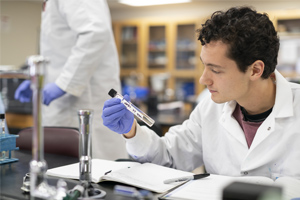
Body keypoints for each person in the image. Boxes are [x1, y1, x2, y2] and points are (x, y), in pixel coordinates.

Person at [102, 6, 300, 180]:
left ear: (255, 70)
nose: (203, 79)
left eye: (216, 70)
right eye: (204, 66)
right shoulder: (210, 108)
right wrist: (131, 131)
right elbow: (168, 157)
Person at [14, 0, 127, 160]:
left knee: (94, 170)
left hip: (85, 100)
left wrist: (63, 84)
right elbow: (60, 53)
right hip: (67, 105)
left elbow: (95, 33)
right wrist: (40, 79)